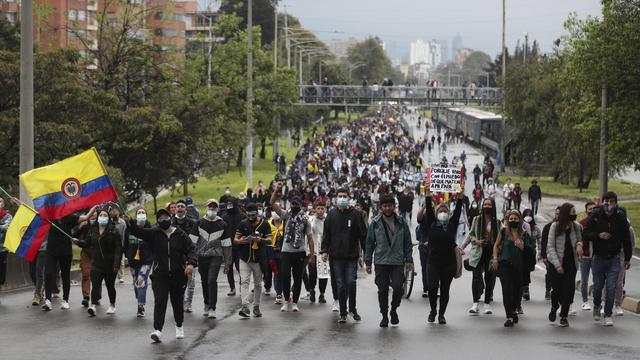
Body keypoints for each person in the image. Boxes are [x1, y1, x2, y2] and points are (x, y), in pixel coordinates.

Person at [128, 208, 197, 343]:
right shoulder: (154, 233)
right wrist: (130, 222)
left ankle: (179, 326)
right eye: (160, 218)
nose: (163, 220)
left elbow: (192, 249)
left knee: (177, 303)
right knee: (160, 301)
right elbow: (139, 232)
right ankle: (157, 330)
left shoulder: (180, 234)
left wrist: (190, 263)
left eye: (165, 217)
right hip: (160, 275)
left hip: (178, 274)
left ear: (170, 218)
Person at [584, 191, 632, 327]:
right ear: (602, 202)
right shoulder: (596, 215)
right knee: (598, 286)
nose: (609, 204)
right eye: (607, 201)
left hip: (614, 257)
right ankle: (597, 305)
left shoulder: (621, 217)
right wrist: (598, 235)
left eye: (612, 202)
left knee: (611, 287)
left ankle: (608, 314)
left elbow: (626, 240)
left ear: (616, 203)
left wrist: (627, 258)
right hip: (598, 257)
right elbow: (586, 233)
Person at [365, 194, 414, 327]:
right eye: (385, 206)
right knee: (382, 290)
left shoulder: (401, 222)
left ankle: (393, 309)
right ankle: (384, 315)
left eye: (390, 206)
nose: (387, 208)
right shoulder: (375, 223)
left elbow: (407, 242)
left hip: (397, 260)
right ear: (381, 207)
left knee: (398, 288)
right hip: (381, 260)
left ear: (394, 206)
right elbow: (369, 243)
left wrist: (409, 259)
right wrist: (368, 262)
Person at [418, 186, 464, 325]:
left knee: (445, 289)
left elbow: (458, 209)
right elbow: (429, 208)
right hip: (433, 261)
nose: (443, 211)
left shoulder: (452, 223)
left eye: (445, 210)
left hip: (448, 262)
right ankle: (433, 310)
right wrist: (427, 194)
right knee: (432, 287)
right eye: (441, 210)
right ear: (437, 213)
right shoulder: (432, 222)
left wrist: (460, 196)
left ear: (448, 213)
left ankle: (441, 314)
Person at [321, 187, 367, 323]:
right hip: (336, 256)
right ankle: (343, 312)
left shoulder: (355, 214)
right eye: (340, 196)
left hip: (352, 255)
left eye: (344, 196)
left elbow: (363, 235)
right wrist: (324, 250)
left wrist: (366, 254)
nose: (342, 198)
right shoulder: (331, 214)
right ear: (336, 198)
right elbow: (326, 234)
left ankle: (352, 308)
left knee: (351, 282)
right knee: (340, 284)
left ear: (348, 198)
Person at [271, 184, 315, 312]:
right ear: (290, 204)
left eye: (297, 204)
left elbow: (310, 238)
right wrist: (277, 189)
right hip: (286, 251)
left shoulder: (306, 220)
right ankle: (286, 301)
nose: (294, 206)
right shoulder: (286, 215)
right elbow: (272, 202)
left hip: (300, 252)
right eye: (293, 204)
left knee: (297, 278)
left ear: (301, 205)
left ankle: (295, 302)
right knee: (285, 276)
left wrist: (311, 255)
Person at [73, 207, 122, 317]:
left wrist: (116, 265)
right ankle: (93, 306)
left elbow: (118, 250)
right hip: (97, 264)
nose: (102, 217)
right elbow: (87, 243)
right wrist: (78, 242)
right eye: (101, 215)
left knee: (110, 286)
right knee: (95, 285)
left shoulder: (114, 231)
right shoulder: (93, 230)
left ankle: (112, 305)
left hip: (110, 265)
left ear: (108, 218)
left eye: (105, 216)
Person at [42, 207, 94, 311]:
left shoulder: (70, 218)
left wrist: (93, 208)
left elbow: (86, 217)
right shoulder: (49, 217)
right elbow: (36, 213)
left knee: (65, 275)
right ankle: (48, 300)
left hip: (65, 252)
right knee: (48, 273)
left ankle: (65, 300)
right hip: (51, 251)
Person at [191, 199, 232, 319]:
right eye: (210, 207)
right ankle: (206, 304)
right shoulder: (198, 223)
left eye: (214, 208)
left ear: (217, 209)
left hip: (216, 256)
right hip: (202, 256)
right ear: (206, 208)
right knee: (204, 282)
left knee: (211, 280)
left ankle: (213, 308)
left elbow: (227, 244)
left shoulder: (223, 224)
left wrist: (228, 262)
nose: (212, 209)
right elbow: (191, 242)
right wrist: (189, 259)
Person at [492, 210, 533, 327]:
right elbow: (496, 245)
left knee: (517, 291)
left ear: (520, 220)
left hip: (519, 266)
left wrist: (521, 244)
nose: (513, 221)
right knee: (507, 290)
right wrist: (495, 258)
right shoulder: (503, 231)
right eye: (511, 219)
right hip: (505, 264)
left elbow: (528, 250)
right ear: (508, 220)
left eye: (515, 219)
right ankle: (509, 316)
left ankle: (514, 309)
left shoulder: (524, 234)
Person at [546, 203, 582, 327]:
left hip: (571, 263)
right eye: (572, 212)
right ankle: (554, 306)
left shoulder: (576, 226)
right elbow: (550, 247)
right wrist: (557, 265)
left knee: (568, 290)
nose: (574, 214)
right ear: (566, 213)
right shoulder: (554, 227)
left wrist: (579, 245)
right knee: (556, 290)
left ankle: (564, 316)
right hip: (556, 263)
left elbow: (579, 240)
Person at [461, 198, 498, 316]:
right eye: (485, 204)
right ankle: (475, 303)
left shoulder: (497, 222)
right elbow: (471, 234)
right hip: (478, 252)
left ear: (493, 206)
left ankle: (487, 304)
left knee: (490, 278)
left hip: (491, 253)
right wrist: (471, 243)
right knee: (476, 277)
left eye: (489, 204)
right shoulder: (477, 220)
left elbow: (502, 237)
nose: (487, 206)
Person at [235, 203, 272, 318]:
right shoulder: (243, 223)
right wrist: (242, 241)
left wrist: (260, 239)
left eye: (253, 214)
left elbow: (270, 240)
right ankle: (245, 306)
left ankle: (256, 306)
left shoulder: (264, 224)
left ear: (257, 213)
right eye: (248, 214)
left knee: (257, 284)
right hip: (244, 258)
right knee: (244, 281)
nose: (250, 217)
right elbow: (235, 239)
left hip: (259, 259)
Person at [125, 208, 154, 317]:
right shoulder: (129, 229)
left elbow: (154, 245)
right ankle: (139, 298)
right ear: (136, 216)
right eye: (139, 213)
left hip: (146, 261)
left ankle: (140, 306)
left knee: (141, 282)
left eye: (143, 213)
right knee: (136, 283)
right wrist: (127, 255)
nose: (141, 214)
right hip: (133, 261)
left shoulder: (151, 229)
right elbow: (125, 244)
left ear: (146, 215)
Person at [174, 199, 197, 313]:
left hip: (189, 256)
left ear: (186, 210)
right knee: (177, 282)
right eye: (178, 206)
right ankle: (180, 302)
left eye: (182, 206)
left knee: (190, 281)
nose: (180, 208)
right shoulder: (171, 222)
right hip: (175, 256)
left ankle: (189, 303)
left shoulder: (192, 223)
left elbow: (196, 239)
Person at [307, 201, 331, 304]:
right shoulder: (311, 220)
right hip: (313, 250)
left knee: (323, 273)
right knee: (312, 272)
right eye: (318, 209)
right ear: (315, 209)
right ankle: (312, 290)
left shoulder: (328, 219)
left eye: (322, 208)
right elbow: (307, 235)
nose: (320, 211)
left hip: (324, 251)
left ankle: (322, 294)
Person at [222, 197, 247, 297]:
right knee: (229, 267)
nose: (229, 205)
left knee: (240, 267)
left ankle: (242, 286)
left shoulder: (242, 216)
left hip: (240, 246)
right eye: (227, 203)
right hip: (227, 246)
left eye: (231, 203)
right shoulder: (224, 217)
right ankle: (232, 287)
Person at [578, 201, 596, 311]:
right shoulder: (581, 224)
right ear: (586, 211)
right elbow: (578, 240)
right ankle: (585, 301)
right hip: (584, 256)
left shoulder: (600, 222)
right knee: (584, 280)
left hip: (597, 256)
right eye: (590, 209)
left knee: (598, 280)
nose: (592, 211)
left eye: (594, 209)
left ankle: (596, 301)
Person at [521, 208, 540, 302]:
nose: (528, 217)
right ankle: (522, 289)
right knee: (521, 271)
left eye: (529, 215)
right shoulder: (520, 227)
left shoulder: (536, 228)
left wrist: (540, 253)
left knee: (527, 271)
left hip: (531, 253)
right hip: (520, 253)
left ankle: (526, 289)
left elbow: (540, 240)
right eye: (526, 215)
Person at [268, 209, 285, 305]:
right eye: (273, 210)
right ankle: (278, 291)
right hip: (271, 252)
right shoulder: (268, 224)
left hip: (283, 252)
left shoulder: (285, 223)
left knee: (283, 272)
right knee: (276, 272)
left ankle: (280, 292)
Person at [0, 197, 12, 304]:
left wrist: (3, 227)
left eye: (0, 201)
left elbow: (6, 227)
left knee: (2, 274)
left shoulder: (8, 216)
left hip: (3, 249)